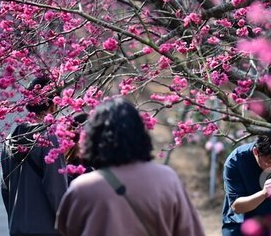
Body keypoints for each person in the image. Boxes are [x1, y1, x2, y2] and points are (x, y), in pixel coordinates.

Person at [56, 97, 205, 236]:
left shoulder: (83, 188)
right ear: (140, 134)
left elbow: (67, 229)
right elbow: (190, 231)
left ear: (94, 138)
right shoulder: (167, 180)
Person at [1, 76, 69, 236]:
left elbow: (6, 188)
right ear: (53, 105)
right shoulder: (49, 138)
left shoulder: (9, 138)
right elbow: (56, 189)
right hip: (47, 229)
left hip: (17, 227)